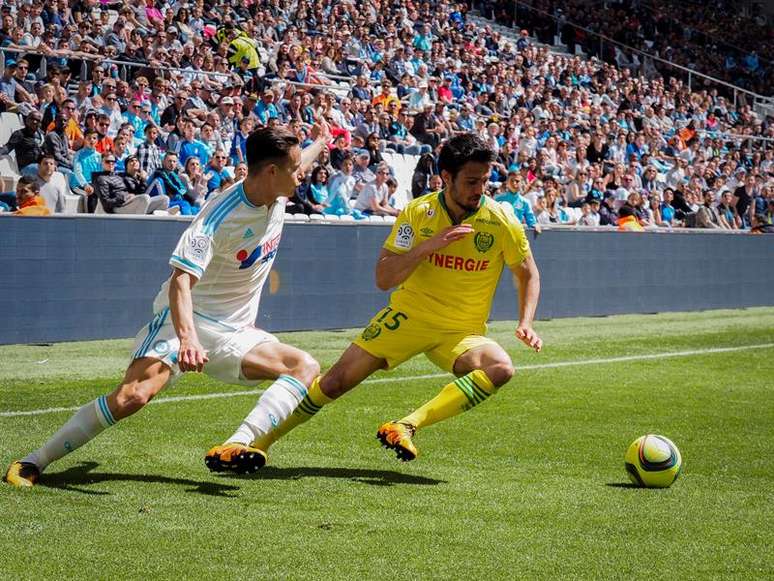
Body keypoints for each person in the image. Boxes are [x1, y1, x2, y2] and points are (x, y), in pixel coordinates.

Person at [4, 124, 332, 487]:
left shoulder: (278, 190)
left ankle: (235, 445)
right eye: (296, 168)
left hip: (235, 332)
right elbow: (181, 281)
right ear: (272, 172)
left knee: (304, 367)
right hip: (185, 322)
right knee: (132, 397)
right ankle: (34, 461)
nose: (302, 175)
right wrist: (188, 339)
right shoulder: (219, 217)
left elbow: (298, 164)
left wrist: (320, 140)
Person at [209, 133, 542, 469]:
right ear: (446, 177)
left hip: (461, 332)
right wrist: (429, 246)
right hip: (407, 318)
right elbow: (384, 278)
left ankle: (406, 425)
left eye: (484, 180)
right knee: (335, 382)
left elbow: (527, 273)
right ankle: (256, 445)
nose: (479, 189)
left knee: (500, 367)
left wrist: (525, 322)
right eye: (471, 181)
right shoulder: (419, 212)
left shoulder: (501, 220)